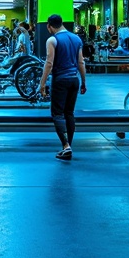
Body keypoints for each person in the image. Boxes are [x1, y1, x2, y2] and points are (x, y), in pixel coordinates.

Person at [38, 13, 86, 161]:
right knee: (69, 113)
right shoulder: (77, 38)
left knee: (57, 114)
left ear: (49, 26)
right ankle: (68, 145)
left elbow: (49, 63)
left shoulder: (52, 40)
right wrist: (84, 82)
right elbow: (81, 62)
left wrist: (42, 83)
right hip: (74, 80)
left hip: (60, 80)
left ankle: (66, 146)